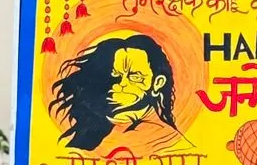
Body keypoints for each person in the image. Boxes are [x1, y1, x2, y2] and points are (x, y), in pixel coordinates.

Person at [49, 34, 189, 155]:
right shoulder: (98, 126)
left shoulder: (157, 135)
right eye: (116, 75)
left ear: (157, 83)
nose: (120, 84)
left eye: (135, 77)